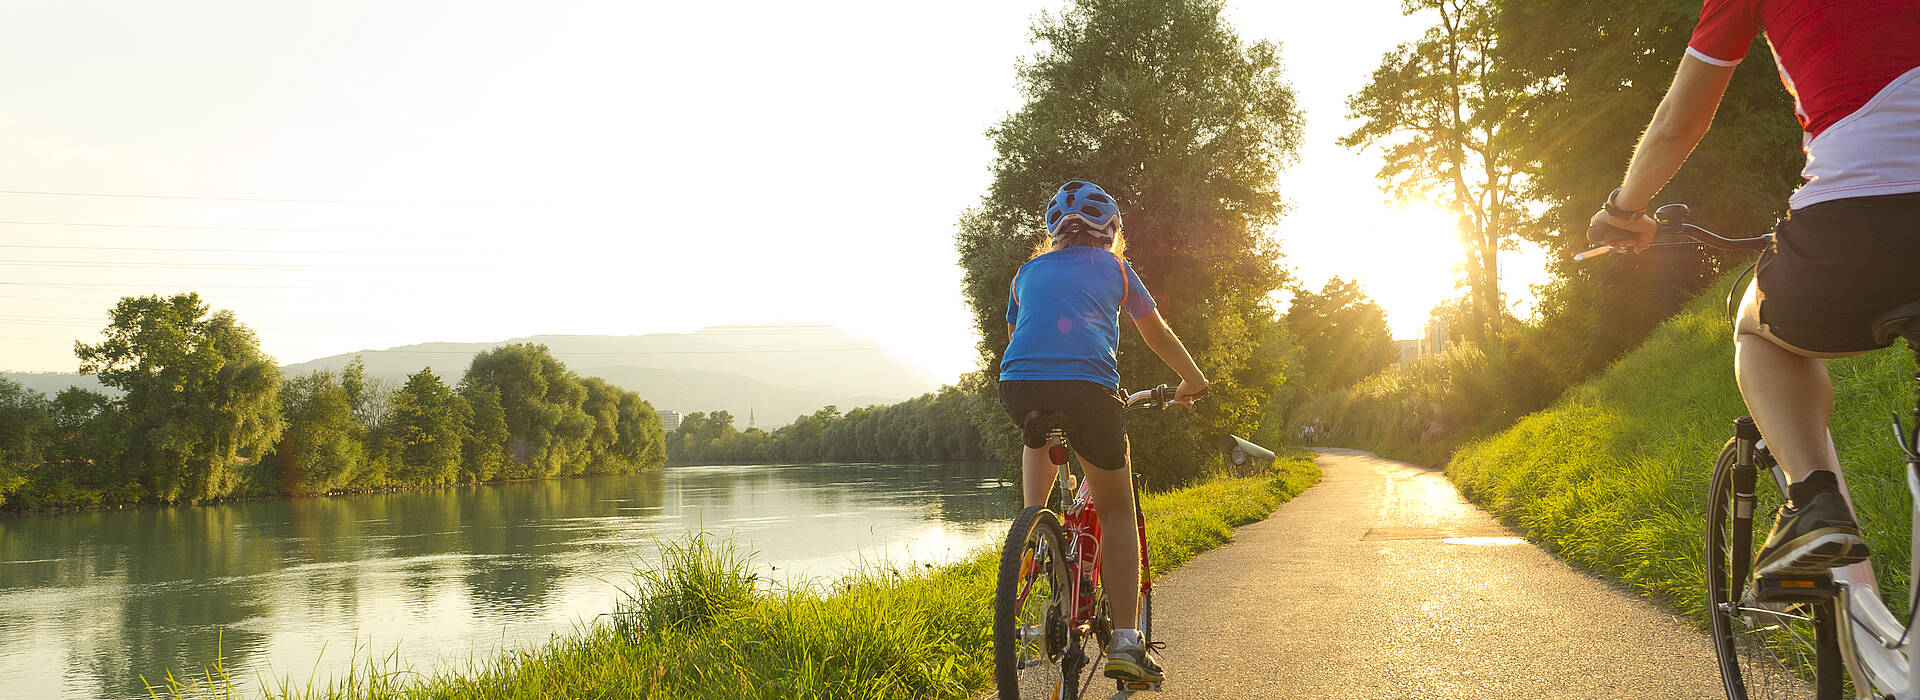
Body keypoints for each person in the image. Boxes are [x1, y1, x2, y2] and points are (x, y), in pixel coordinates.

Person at [1591, 0, 1920, 581]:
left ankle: (1815, 503)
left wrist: (1625, 211)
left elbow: (1677, 121)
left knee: (1758, 330)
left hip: (1859, 218)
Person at [999, 180, 1208, 684]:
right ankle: (1126, 644)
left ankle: (1038, 538)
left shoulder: (1025, 273)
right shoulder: (1115, 268)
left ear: (1054, 232)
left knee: (1039, 472)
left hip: (1019, 388)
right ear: (1110, 232)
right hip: (1090, 394)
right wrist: (1192, 379)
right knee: (1116, 510)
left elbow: (1018, 334)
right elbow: (1154, 331)